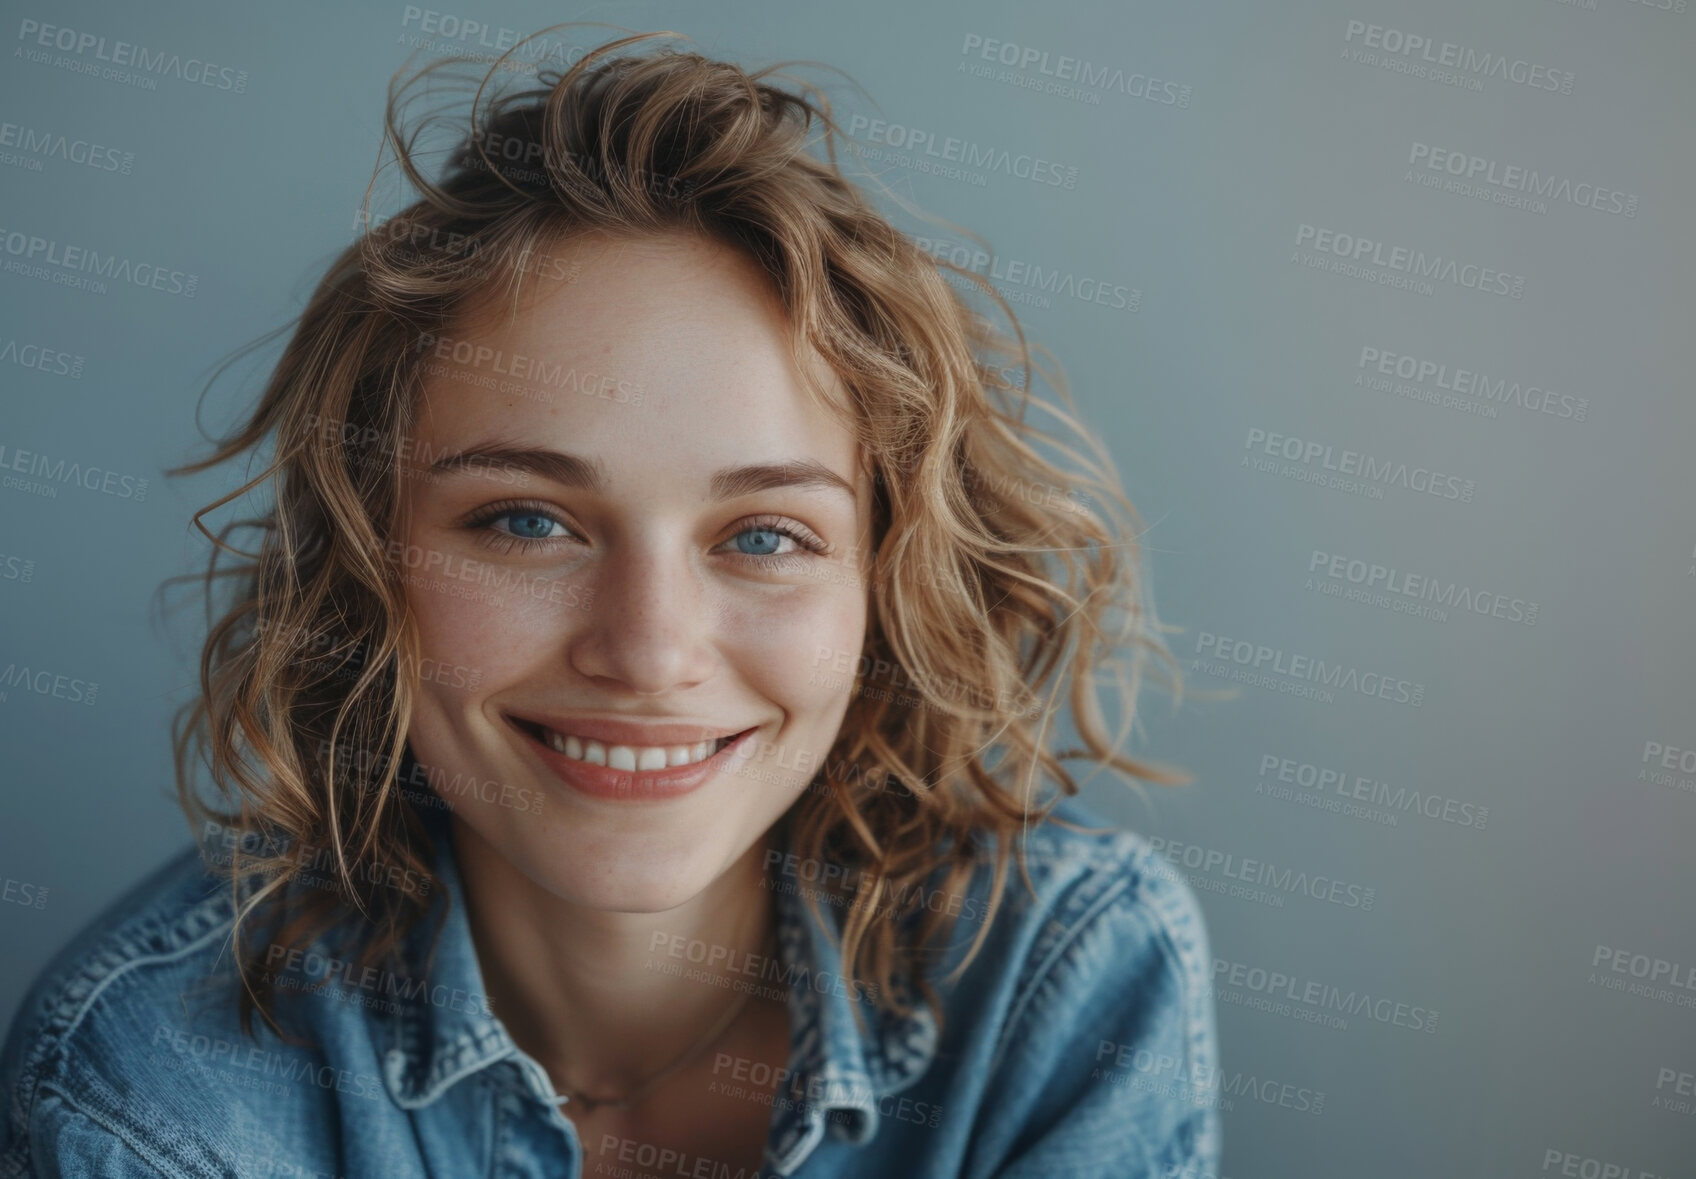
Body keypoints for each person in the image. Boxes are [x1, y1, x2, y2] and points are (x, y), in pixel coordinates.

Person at [0, 27, 1221, 1178]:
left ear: (885, 589)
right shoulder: (149, 1077)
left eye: (763, 535)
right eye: (527, 523)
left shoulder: (1065, 978)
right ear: (369, 565)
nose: (648, 652)